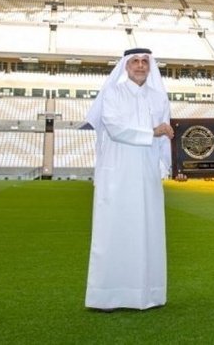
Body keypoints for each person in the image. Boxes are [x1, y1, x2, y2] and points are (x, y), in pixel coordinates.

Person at [84, 47, 175, 311]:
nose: (140, 65)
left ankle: (148, 294)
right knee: (113, 231)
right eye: (134, 61)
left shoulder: (159, 98)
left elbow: (166, 136)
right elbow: (114, 128)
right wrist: (152, 131)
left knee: (146, 230)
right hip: (117, 172)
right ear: (126, 66)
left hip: (147, 175)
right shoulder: (113, 93)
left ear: (150, 66)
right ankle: (106, 296)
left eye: (144, 62)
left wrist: (173, 167)